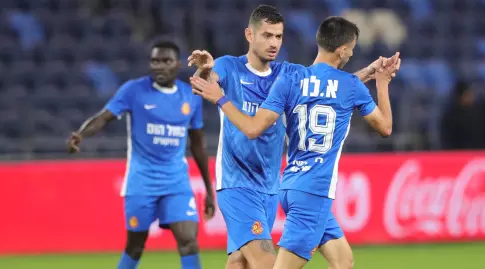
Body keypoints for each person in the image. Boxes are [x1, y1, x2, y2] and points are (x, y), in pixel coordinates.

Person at [188, 5, 398, 269]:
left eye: (278, 36)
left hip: (272, 185)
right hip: (238, 183)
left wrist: (366, 74)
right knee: (265, 262)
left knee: (240, 262)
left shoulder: (287, 73)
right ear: (249, 35)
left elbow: (327, 89)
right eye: (267, 35)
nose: (273, 42)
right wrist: (204, 71)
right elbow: (202, 84)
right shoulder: (228, 66)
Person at [67, 40, 215, 269]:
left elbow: (198, 145)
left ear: (177, 65)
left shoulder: (190, 96)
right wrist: (81, 134)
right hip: (141, 183)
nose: (159, 66)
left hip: (176, 182)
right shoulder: (133, 90)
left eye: (165, 61)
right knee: (135, 247)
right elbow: (103, 117)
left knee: (188, 241)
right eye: (155, 61)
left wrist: (208, 189)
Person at [440, 80, 485, 149]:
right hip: (460, 154)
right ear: (460, 96)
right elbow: (448, 140)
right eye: (467, 94)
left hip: (480, 153)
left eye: (471, 94)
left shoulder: (480, 111)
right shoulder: (451, 116)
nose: (471, 97)